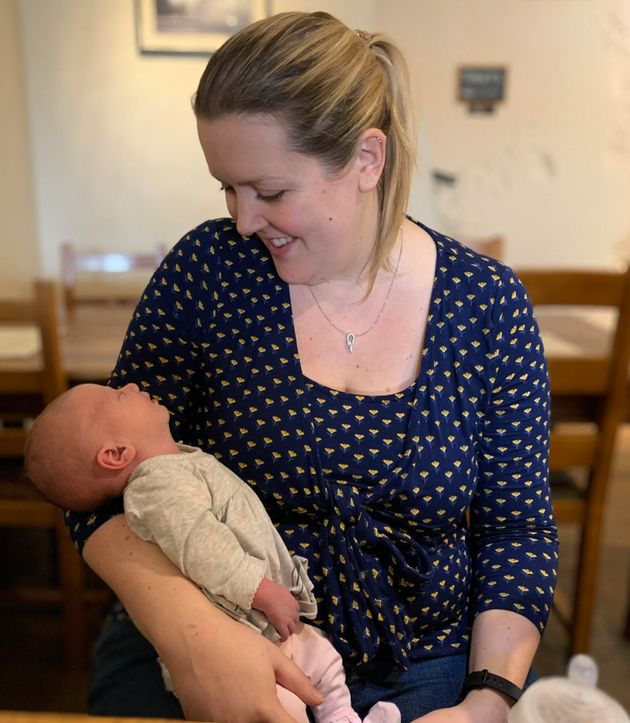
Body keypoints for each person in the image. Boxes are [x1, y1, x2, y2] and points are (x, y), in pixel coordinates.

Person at [62, 10, 558, 723]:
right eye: (226, 188)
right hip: (212, 631)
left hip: (429, 662)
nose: (241, 219)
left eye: (269, 192)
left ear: (366, 160)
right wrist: (192, 634)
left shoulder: (486, 304)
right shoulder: (209, 270)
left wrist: (487, 700)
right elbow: (98, 480)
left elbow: (518, 530)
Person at [25, 382, 400, 723]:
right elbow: (202, 548)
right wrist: (262, 589)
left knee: (323, 663)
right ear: (116, 453)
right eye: (119, 396)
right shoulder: (158, 489)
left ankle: (342, 718)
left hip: (267, 621)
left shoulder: (177, 463)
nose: (133, 384)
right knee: (281, 705)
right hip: (245, 628)